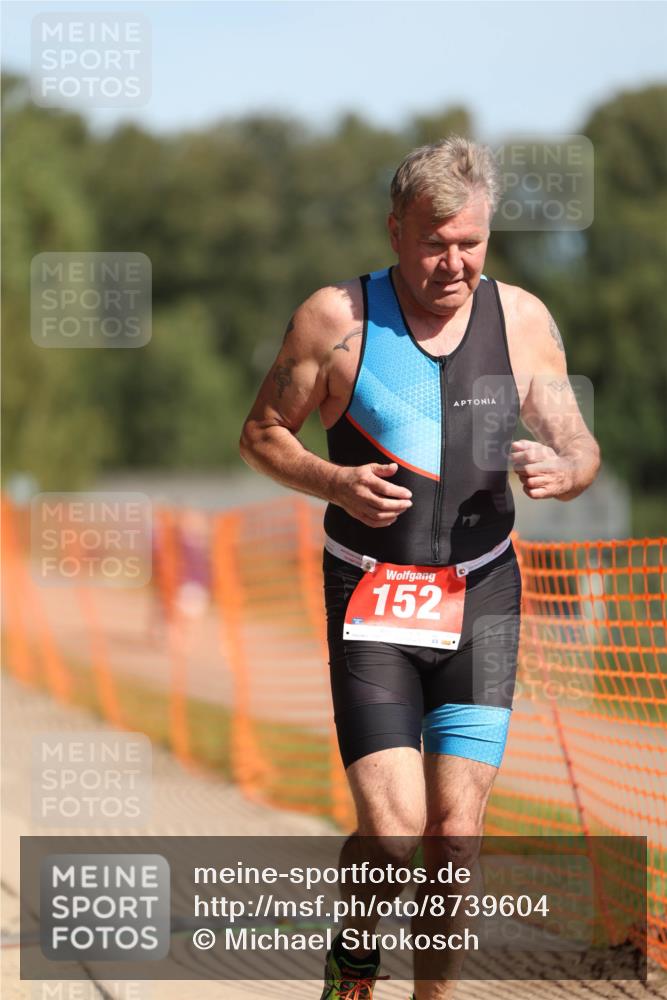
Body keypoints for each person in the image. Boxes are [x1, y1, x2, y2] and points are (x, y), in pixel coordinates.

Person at [240, 136, 600, 1000]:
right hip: (370, 594)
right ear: (395, 229)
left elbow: (576, 438)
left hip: (481, 591)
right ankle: (353, 962)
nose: (453, 262)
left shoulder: (519, 319)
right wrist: (333, 480)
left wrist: (569, 468)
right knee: (395, 829)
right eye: (434, 241)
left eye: (470, 242)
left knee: (455, 832)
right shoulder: (336, 318)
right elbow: (260, 435)